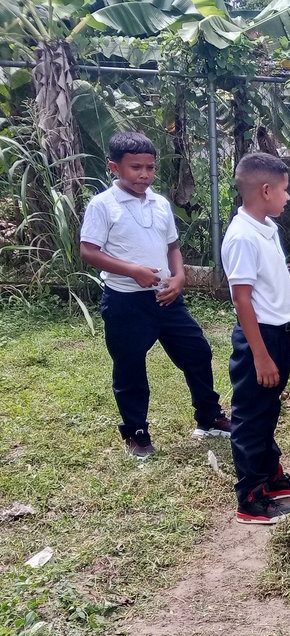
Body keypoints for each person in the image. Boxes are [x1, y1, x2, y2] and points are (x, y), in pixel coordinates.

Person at [80, 131, 230, 459]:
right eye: (136, 167)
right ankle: (136, 432)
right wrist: (132, 270)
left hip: (166, 297)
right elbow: (89, 251)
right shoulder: (103, 205)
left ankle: (209, 417)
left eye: (150, 167)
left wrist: (178, 278)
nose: (144, 174)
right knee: (130, 366)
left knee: (197, 351)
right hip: (126, 301)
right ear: (114, 167)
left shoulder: (160, 204)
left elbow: (172, 247)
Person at [221, 153, 290, 525]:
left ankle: (272, 478)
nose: (288, 197)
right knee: (250, 418)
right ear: (265, 190)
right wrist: (260, 356)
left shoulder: (267, 227)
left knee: (268, 411)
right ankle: (251, 498)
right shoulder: (242, 237)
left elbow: (276, 288)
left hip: (277, 334)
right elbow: (241, 299)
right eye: (284, 190)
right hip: (257, 341)